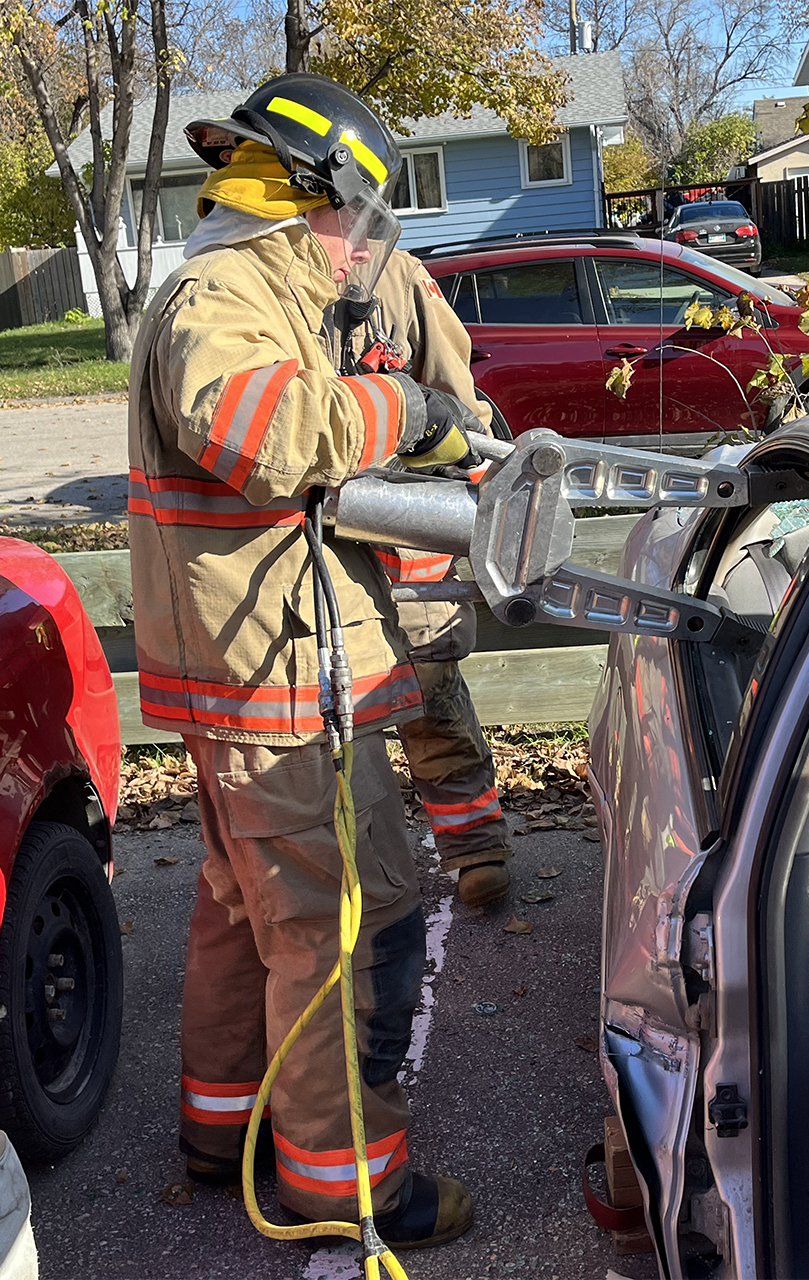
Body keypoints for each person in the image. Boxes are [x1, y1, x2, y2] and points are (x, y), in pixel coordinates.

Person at [127, 72, 478, 1248]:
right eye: (358, 226)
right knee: (344, 924)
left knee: (245, 918)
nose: (357, 259)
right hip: (272, 685)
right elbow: (271, 432)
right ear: (312, 199)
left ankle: (220, 1133)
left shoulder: (254, 292)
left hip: (253, 672)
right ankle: (343, 1184)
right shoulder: (221, 295)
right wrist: (404, 412)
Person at [337, 254, 512, 907]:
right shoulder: (268, 277)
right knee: (338, 735)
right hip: (322, 557)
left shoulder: (398, 277)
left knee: (436, 711)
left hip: (408, 545)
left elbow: (460, 409)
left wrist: (475, 503)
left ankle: (475, 853)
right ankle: (355, 882)